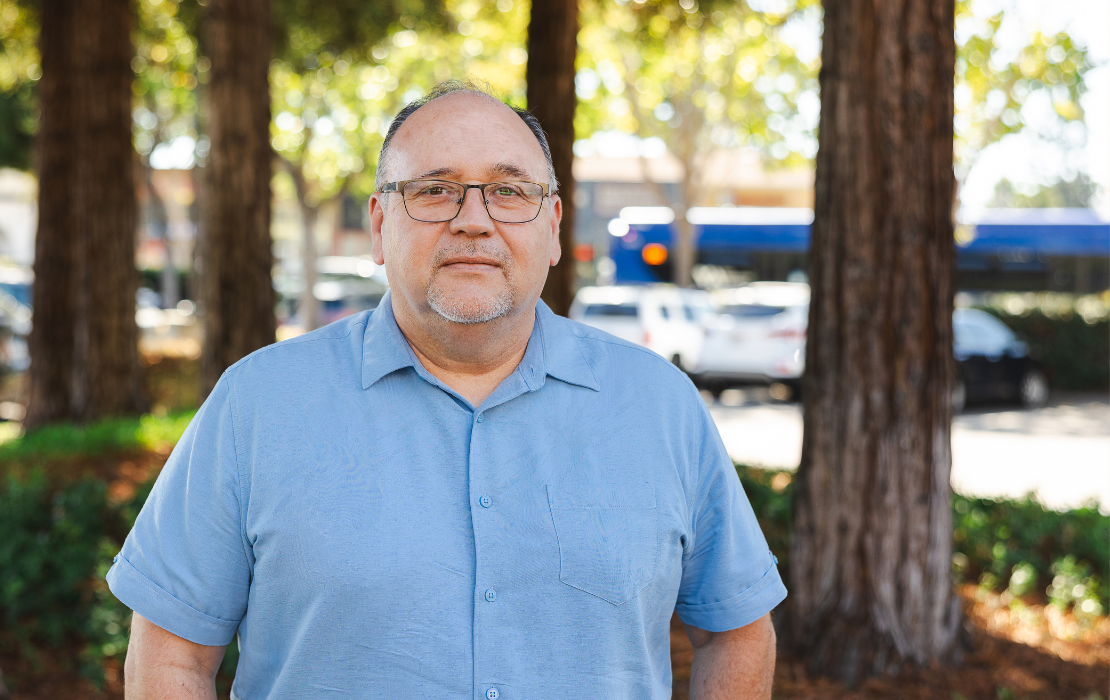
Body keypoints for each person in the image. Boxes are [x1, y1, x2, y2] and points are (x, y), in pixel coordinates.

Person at [108, 80, 787, 700]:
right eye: (433, 190)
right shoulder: (257, 404)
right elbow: (170, 654)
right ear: (379, 224)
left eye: (510, 191)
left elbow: (737, 632)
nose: (473, 219)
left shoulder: (659, 406)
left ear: (552, 229)